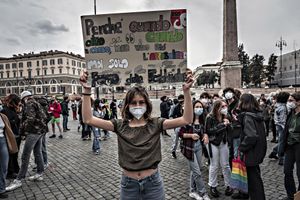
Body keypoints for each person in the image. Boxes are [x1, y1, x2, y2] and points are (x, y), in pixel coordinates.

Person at [79, 68, 194, 200]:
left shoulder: (156, 124)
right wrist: (87, 92)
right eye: (134, 103)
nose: (138, 105)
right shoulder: (119, 125)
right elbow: (88, 119)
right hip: (129, 185)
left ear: (147, 104)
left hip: (153, 184)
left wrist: (186, 92)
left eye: (141, 102)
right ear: (127, 105)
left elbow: (187, 119)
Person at [6, 91, 47, 192]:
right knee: (38, 152)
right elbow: (44, 116)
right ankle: (39, 173)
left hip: (33, 131)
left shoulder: (29, 103)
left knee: (25, 155)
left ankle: (19, 179)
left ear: (24, 98)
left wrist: (24, 132)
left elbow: (30, 119)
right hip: (40, 131)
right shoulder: (36, 102)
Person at [178, 100, 210, 200]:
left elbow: (204, 132)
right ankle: (203, 193)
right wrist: (191, 135)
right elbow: (180, 133)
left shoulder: (202, 120)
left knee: (196, 170)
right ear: (192, 108)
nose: (199, 108)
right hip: (189, 148)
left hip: (199, 147)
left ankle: (192, 191)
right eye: (196, 107)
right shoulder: (188, 120)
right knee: (197, 172)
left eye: (200, 107)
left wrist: (205, 135)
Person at [237, 93, 267, 200]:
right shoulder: (256, 114)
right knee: (255, 178)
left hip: (251, 152)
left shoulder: (248, 116)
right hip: (257, 151)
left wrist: (241, 147)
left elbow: (251, 136)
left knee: (254, 181)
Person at [205, 100, 233, 198]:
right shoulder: (210, 117)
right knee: (214, 165)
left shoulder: (227, 116)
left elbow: (230, 130)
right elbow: (209, 131)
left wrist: (229, 124)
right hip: (213, 143)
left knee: (226, 165)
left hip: (224, 143)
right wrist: (223, 125)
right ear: (217, 108)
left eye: (226, 106)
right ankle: (213, 186)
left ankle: (229, 185)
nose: (225, 108)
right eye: (223, 106)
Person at [279, 92, 300, 200]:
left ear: (298, 102)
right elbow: (286, 130)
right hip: (290, 145)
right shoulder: (291, 113)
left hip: (299, 145)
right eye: (288, 100)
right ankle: (291, 195)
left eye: (291, 100)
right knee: (287, 170)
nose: (289, 103)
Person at [1, 94, 21, 179]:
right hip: (11, 135)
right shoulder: (5, 110)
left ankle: (15, 169)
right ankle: (10, 171)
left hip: (16, 134)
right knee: (11, 153)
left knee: (15, 153)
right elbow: (9, 123)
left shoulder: (13, 110)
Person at [0, 110, 18, 199]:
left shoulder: (3, 116)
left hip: (2, 141)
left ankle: (1, 189)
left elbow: (8, 130)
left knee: (4, 166)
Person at [269, 92, 290, 165]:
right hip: (282, 126)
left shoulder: (278, 105)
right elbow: (282, 120)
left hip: (278, 125)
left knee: (282, 141)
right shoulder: (283, 107)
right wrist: (286, 128)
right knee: (282, 141)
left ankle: (274, 152)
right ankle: (281, 157)